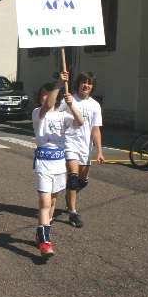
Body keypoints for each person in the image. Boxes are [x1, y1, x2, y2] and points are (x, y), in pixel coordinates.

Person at [32, 74, 84, 258]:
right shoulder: (38, 113)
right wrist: (59, 84)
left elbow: (80, 122)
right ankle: (45, 242)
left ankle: (42, 232)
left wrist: (72, 105)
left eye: (50, 94)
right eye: (43, 94)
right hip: (43, 163)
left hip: (59, 165)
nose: (46, 98)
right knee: (45, 202)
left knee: (53, 202)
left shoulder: (63, 115)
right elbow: (47, 106)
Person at [60, 72, 105, 229]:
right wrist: (66, 103)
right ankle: (72, 211)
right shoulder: (68, 99)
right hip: (70, 143)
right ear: (78, 84)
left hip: (85, 147)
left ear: (92, 86)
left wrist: (99, 151)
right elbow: (56, 118)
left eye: (89, 83)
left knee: (82, 181)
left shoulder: (95, 105)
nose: (86, 85)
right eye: (83, 82)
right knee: (73, 178)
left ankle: (69, 194)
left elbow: (96, 129)